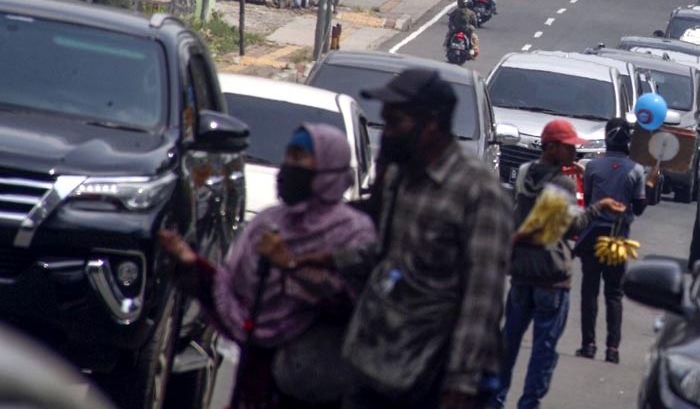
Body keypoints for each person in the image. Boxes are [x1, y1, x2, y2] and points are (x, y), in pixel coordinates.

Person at [287, 70, 511, 409]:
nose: (387, 132)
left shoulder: (477, 192)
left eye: (396, 122)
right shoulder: (400, 177)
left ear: (432, 124)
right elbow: (388, 253)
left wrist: (460, 386)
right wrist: (323, 258)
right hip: (378, 356)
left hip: (432, 372)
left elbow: (481, 300)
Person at [158, 124, 377, 409]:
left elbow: (356, 305)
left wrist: (292, 266)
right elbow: (237, 306)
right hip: (256, 387)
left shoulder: (353, 233)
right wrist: (193, 267)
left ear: (328, 168)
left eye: (299, 157)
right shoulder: (267, 224)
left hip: (318, 390)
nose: (289, 165)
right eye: (288, 155)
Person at [495, 120, 627, 409]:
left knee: (509, 343)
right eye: (568, 147)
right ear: (551, 147)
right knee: (543, 351)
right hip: (551, 277)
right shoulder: (562, 185)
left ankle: (495, 399)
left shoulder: (526, 173)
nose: (574, 152)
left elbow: (530, 216)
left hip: (520, 274)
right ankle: (528, 404)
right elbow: (567, 229)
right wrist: (598, 207)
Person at [575, 118, 659, 365]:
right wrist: (652, 180)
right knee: (614, 293)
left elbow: (589, 199)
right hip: (619, 237)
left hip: (592, 236)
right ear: (628, 141)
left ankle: (588, 345)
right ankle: (612, 349)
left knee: (589, 290)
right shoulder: (635, 170)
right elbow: (640, 207)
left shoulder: (592, 166)